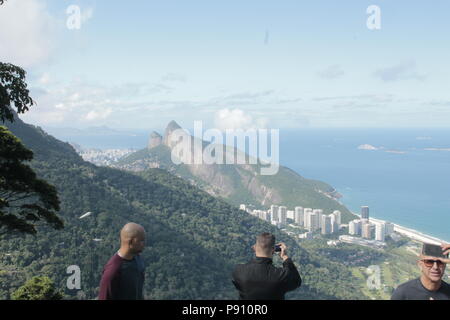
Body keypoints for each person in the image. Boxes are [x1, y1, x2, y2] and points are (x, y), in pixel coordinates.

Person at [231, 232, 301, 300]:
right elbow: (296, 282)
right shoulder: (281, 275)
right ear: (273, 250)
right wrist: (285, 257)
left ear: (254, 248)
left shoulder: (238, 271)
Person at [98, 222, 146, 300]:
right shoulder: (113, 271)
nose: (144, 244)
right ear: (131, 242)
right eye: (141, 241)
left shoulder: (138, 260)